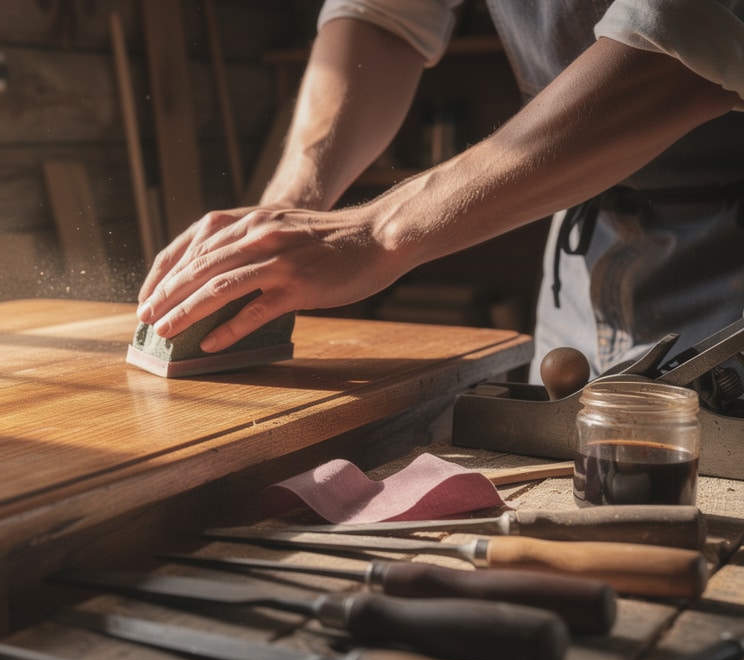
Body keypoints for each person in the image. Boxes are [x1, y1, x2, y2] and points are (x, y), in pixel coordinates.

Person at [135, 0, 744, 382]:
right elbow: (382, 16)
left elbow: (685, 40)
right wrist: (290, 205)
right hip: (588, 249)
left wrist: (378, 232)